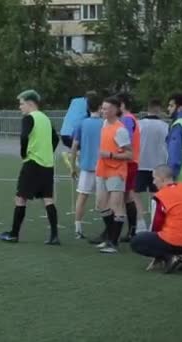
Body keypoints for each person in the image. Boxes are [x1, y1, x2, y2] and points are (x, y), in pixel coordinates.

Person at [0, 89, 60, 245]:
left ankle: (14, 234)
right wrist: (47, 152)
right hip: (47, 164)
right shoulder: (45, 118)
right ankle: (54, 236)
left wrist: (23, 153)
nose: (20, 107)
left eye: (22, 104)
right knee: (48, 199)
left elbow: (24, 136)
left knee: (20, 198)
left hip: (32, 163)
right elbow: (56, 139)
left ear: (30, 103)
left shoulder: (29, 118)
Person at [130, 165, 182, 273]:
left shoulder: (160, 196)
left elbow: (156, 225)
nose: (154, 182)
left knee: (136, 241)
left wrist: (157, 253)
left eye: (155, 178)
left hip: (177, 242)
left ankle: (170, 257)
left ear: (162, 179)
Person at [93, 97, 132, 253]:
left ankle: (113, 243)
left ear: (116, 110)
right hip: (102, 169)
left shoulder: (120, 129)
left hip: (116, 170)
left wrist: (109, 154)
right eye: (102, 108)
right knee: (101, 204)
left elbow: (129, 154)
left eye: (107, 108)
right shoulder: (104, 124)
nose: (103, 111)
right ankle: (110, 237)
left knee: (116, 205)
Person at [70, 93, 103, 239]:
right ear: (101, 107)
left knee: (82, 197)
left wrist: (72, 167)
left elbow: (74, 147)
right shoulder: (106, 123)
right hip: (103, 167)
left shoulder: (81, 124)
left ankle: (78, 228)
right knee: (106, 199)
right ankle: (109, 230)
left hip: (86, 167)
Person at [134, 99, 168, 232]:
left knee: (136, 193)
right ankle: (155, 223)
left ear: (147, 108)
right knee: (156, 195)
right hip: (158, 164)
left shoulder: (139, 124)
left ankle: (140, 222)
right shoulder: (165, 126)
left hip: (141, 163)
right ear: (158, 109)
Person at [116, 92, 141, 242]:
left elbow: (126, 142)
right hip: (132, 161)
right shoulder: (131, 119)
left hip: (128, 163)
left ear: (122, 105)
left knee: (121, 196)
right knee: (126, 196)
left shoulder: (126, 119)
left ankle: (119, 230)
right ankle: (132, 230)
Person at [60, 91, 95, 171]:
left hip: (63, 134)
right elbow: (92, 116)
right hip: (73, 134)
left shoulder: (75, 101)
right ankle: (70, 155)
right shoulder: (89, 104)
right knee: (88, 146)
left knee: (80, 147)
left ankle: (71, 155)